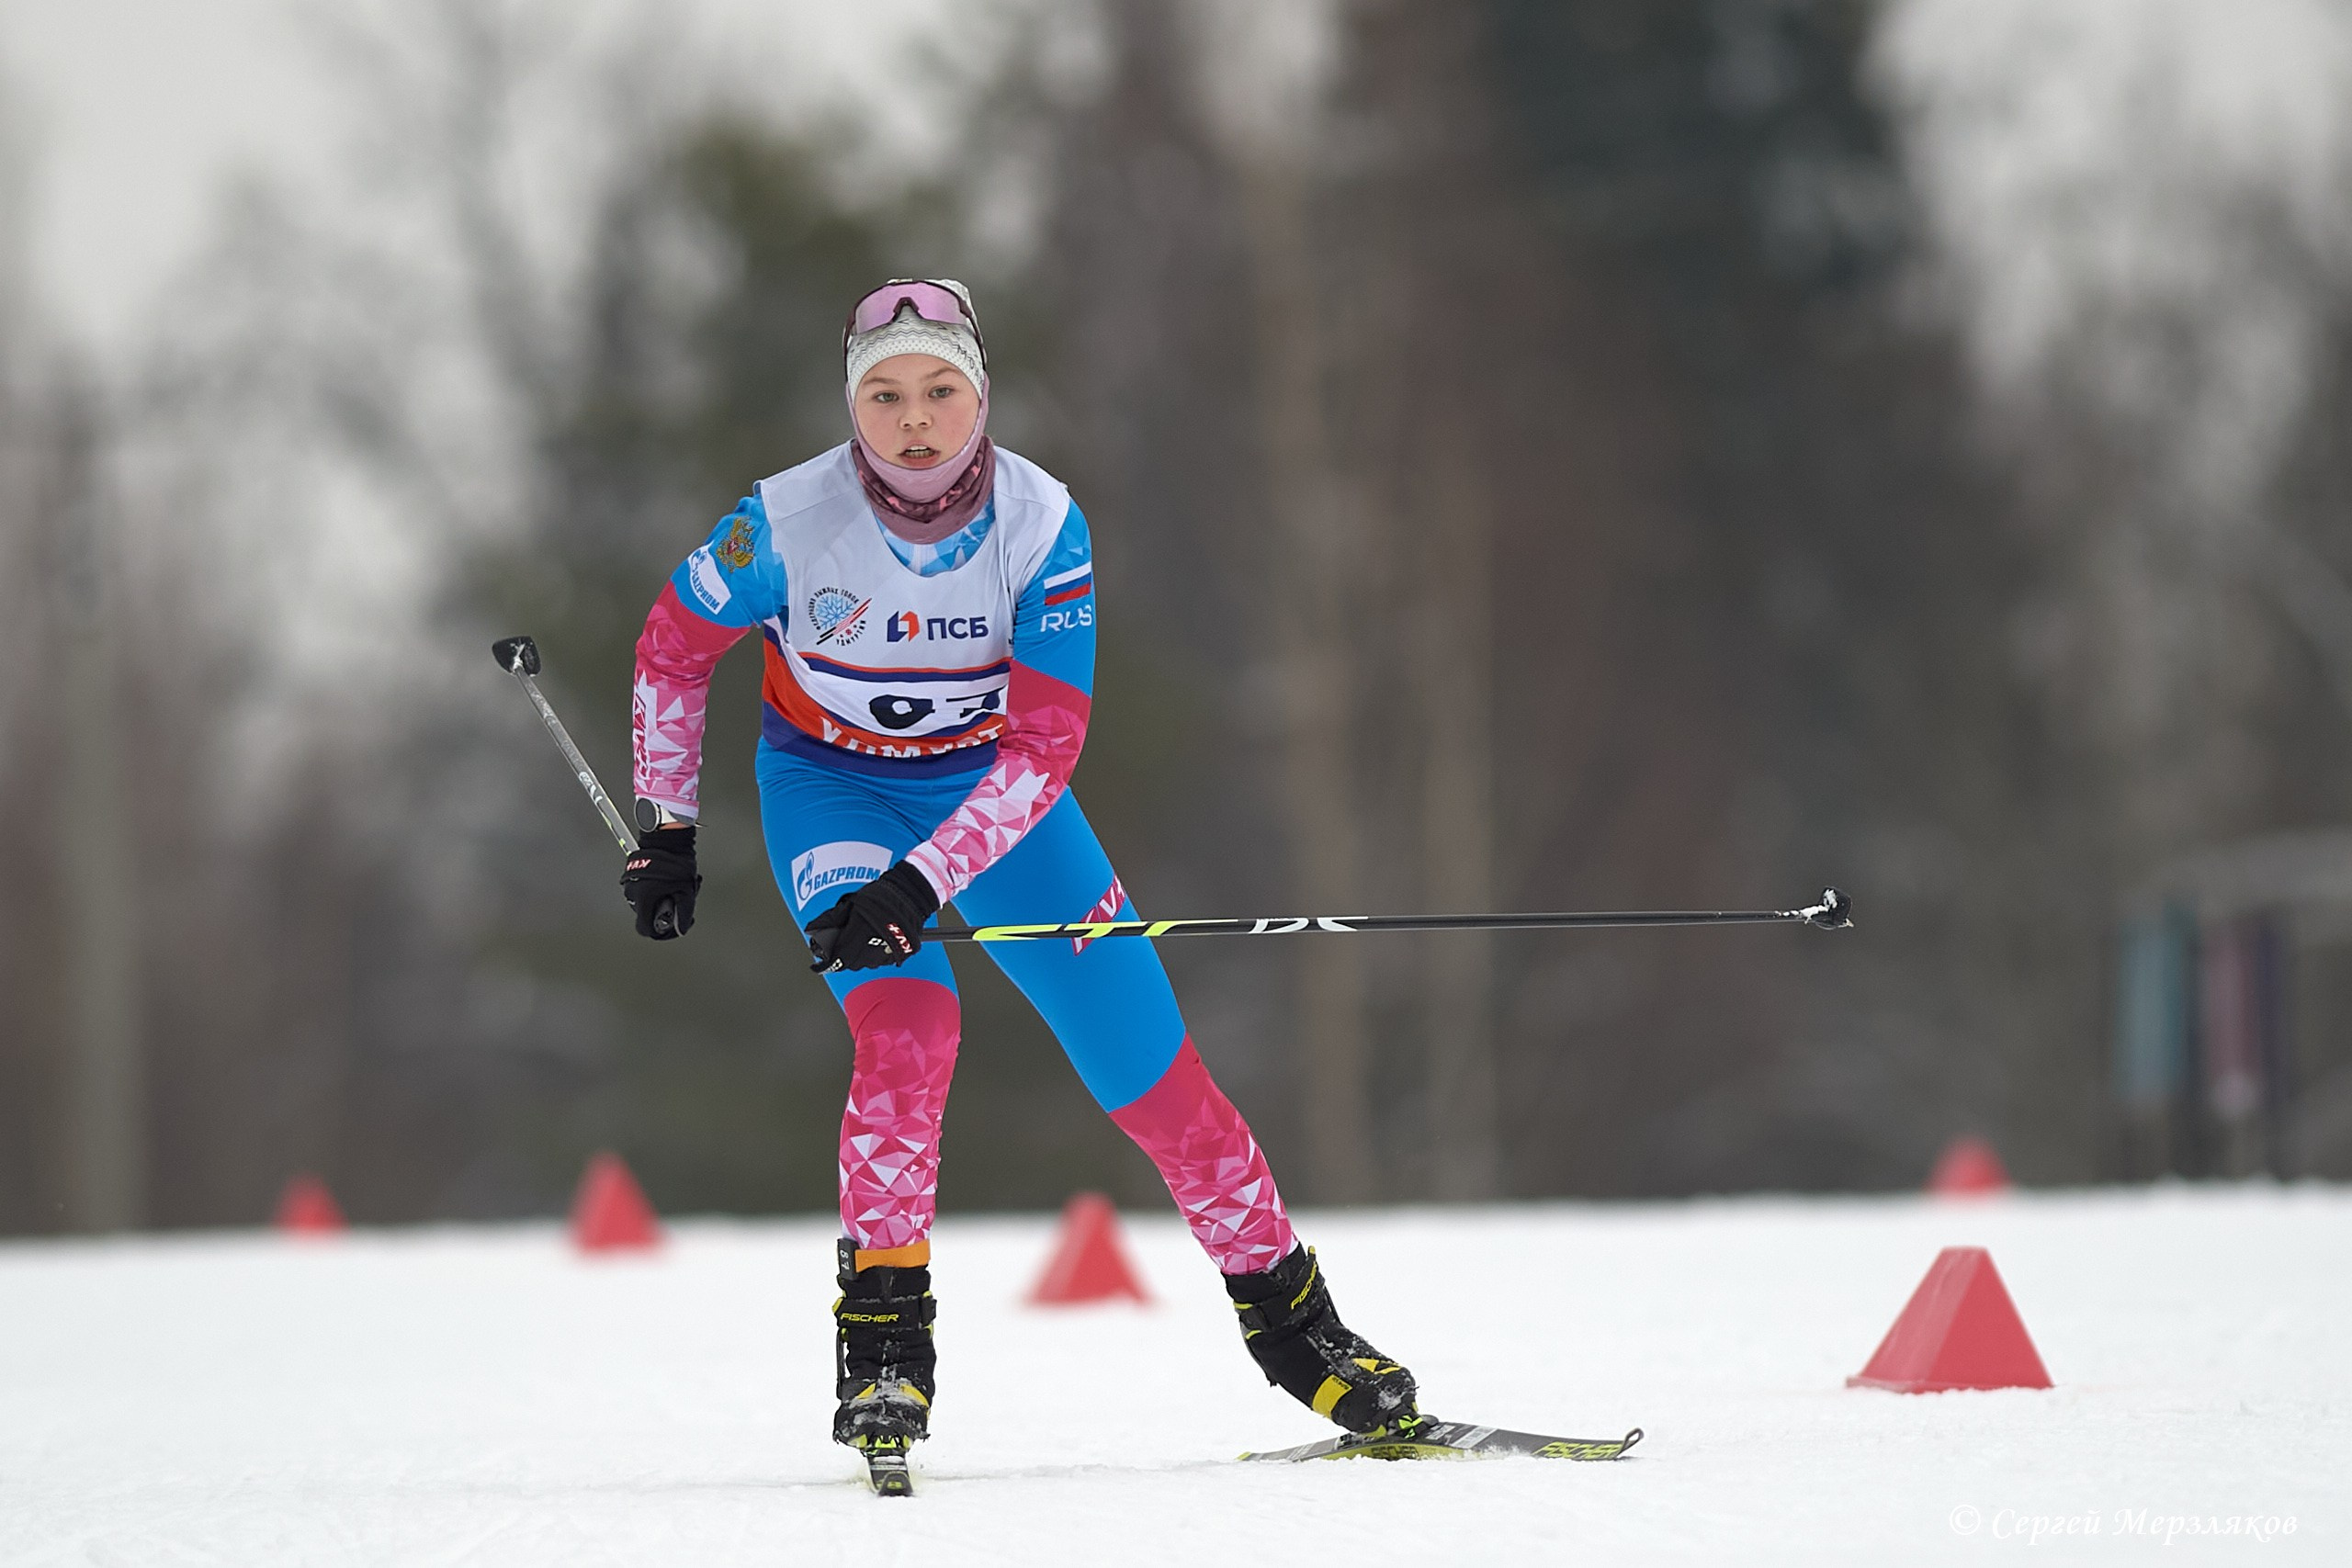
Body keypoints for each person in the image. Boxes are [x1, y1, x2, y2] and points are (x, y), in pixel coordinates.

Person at [619, 278, 1418, 1460]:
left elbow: (1046, 747)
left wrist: (920, 882)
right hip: (828, 789)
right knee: (908, 1031)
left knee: (1153, 1074)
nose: (915, 421)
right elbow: (671, 651)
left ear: (980, 394)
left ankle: (1299, 1333)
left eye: (941, 391)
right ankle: (885, 1351)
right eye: (884, 396)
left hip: (999, 799)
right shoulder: (782, 524)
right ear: (853, 407)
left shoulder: (1044, 525)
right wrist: (670, 830)